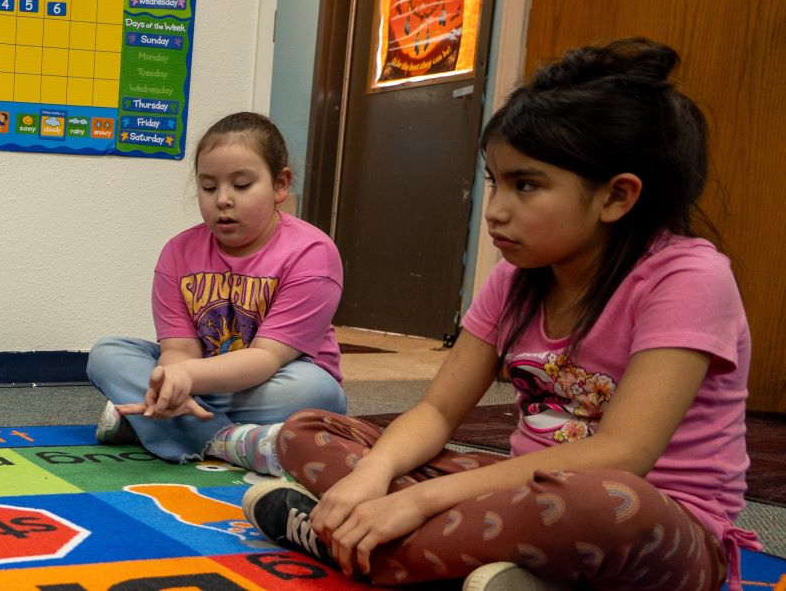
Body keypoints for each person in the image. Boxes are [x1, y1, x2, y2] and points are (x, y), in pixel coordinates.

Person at [240, 38, 760, 590]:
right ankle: (493, 568)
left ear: (616, 197)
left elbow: (622, 454)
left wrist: (419, 500)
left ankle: (356, 548)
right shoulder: (516, 278)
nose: (495, 211)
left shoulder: (687, 277)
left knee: (601, 505)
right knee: (308, 431)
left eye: (526, 185)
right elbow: (438, 411)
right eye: (495, 181)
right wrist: (372, 477)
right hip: (520, 496)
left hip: (653, 523)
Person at [88, 111, 347, 476]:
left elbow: (265, 359)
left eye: (241, 185)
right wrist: (174, 380)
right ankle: (229, 440)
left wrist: (184, 383)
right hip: (204, 378)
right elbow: (179, 351)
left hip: (275, 378)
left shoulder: (312, 253)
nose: (223, 199)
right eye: (208, 188)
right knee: (107, 354)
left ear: (280, 184)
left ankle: (151, 420)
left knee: (317, 391)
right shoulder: (177, 253)